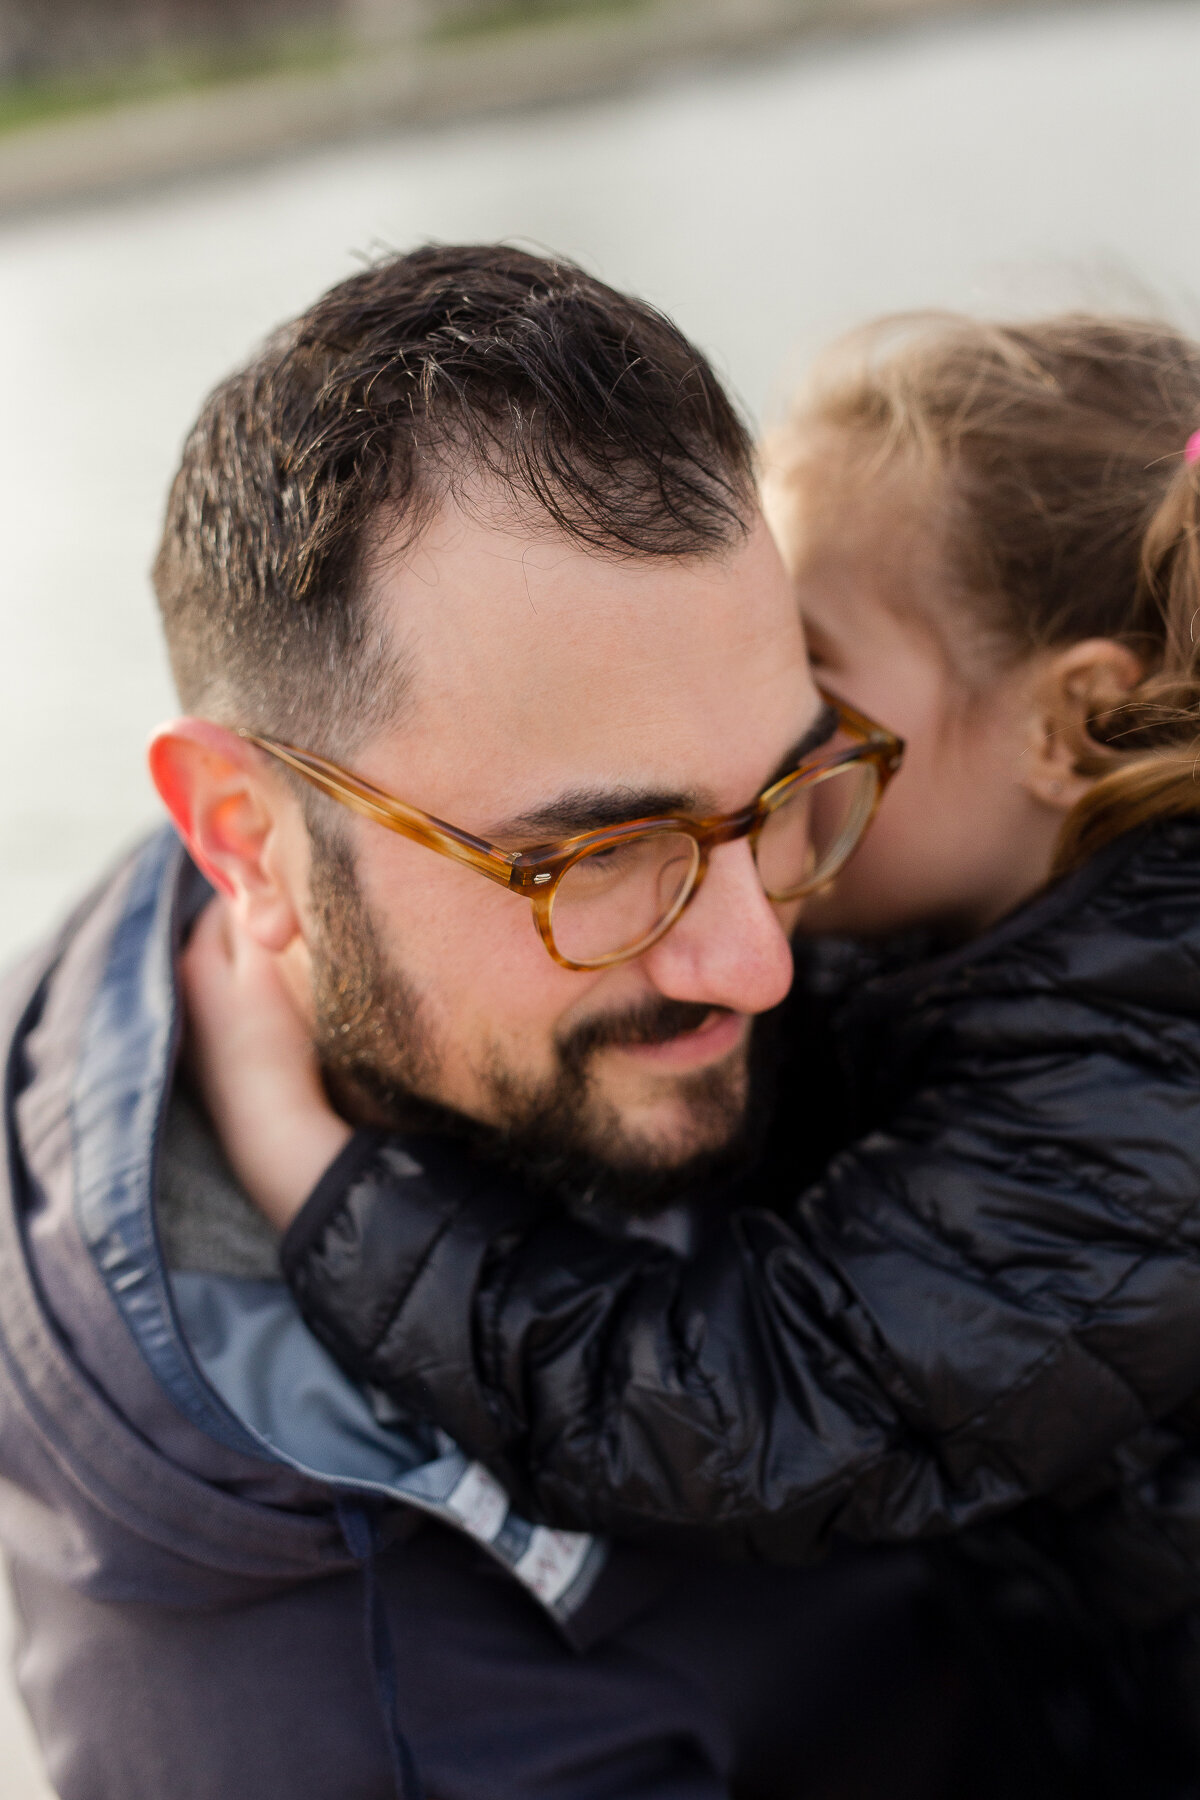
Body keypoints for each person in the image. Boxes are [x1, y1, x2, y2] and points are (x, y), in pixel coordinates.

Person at [186, 311, 1200, 1797]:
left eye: (813, 682)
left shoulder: (1147, 1089)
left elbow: (751, 1416)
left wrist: (315, 1169)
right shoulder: (1056, 939)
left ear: (1077, 722)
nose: (765, 740)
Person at [0, 247, 970, 1800]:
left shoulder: (374, 865)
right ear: (245, 842)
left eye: (782, 794)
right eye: (598, 859)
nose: (757, 964)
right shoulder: (368, 1732)